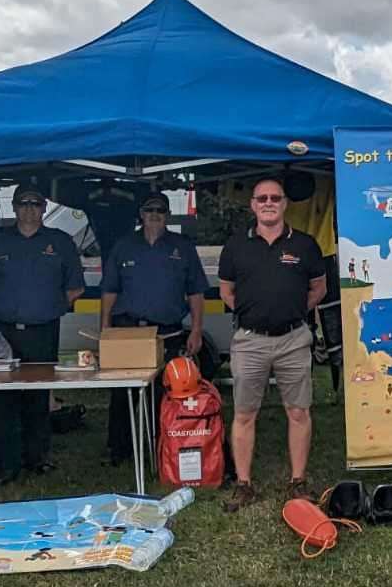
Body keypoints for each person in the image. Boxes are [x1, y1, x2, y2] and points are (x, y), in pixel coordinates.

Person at [217, 177, 327, 511]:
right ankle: (244, 484)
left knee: (298, 411)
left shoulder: (305, 245)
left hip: (294, 339)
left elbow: (318, 289)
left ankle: (297, 481)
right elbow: (226, 291)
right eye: (261, 198)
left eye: (275, 198)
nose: (268, 203)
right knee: (245, 413)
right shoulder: (235, 246)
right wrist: (255, 313)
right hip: (250, 341)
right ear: (252, 204)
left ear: (284, 204)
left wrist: (292, 311)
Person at [0, 183, 85, 486]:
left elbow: (75, 287)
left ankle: (38, 457)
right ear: (14, 207)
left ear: (44, 209)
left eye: (35, 204)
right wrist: (10, 307)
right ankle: (6, 463)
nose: (29, 210)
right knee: (2, 399)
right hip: (3, 332)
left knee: (38, 396)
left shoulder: (60, 242)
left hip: (43, 330)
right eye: (23, 204)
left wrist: (48, 308)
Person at [100, 191, 209, 467]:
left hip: (167, 332)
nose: (154, 215)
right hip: (128, 331)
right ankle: (119, 449)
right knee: (122, 393)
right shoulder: (123, 245)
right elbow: (110, 290)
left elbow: (196, 292)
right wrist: (105, 329)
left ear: (167, 215)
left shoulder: (182, 246)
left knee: (165, 392)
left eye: (160, 210)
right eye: (149, 210)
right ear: (141, 214)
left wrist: (196, 329)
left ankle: (163, 445)